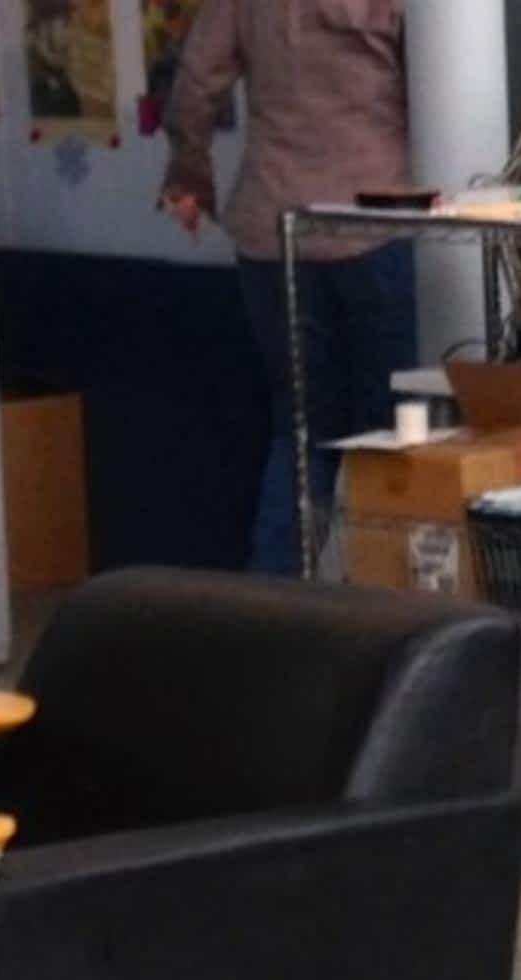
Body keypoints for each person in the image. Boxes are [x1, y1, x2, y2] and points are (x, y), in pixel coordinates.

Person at [159, 0, 416, 576]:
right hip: (378, 225)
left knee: (300, 433)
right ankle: (382, 610)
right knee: (393, 434)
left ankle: (270, 619)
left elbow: (196, 79)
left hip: (275, 230)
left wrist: (189, 175)